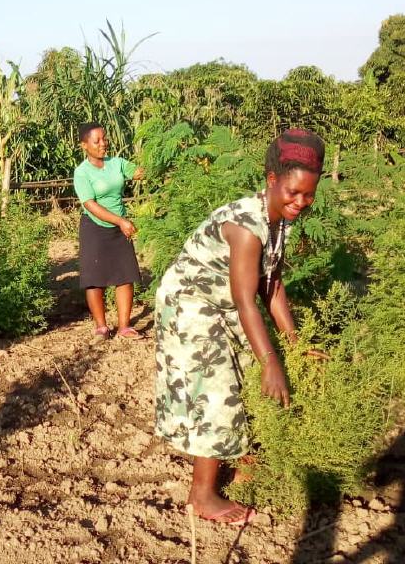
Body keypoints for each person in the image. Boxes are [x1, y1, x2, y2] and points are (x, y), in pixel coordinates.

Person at [153, 128, 325, 526]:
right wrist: (271, 359)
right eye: (293, 193)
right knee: (217, 390)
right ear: (271, 179)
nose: (300, 202)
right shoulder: (247, 226)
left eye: (308, 195)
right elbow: (247, 299)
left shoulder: (279, 218)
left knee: (249, 377)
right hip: (190, 304)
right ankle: (202, 494)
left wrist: (294, 344)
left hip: (225, 304)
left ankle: (245, 463)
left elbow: (272, 283)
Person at [73, 122, 145, 344]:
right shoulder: (82, 172)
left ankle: (124, 327)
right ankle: (101, 327)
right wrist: (120, 221)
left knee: (125, 275)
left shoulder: (117, 163)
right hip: (95, 227)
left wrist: (152, 164)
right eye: (97, 141)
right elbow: (90, 204)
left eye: (104, 139)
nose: (103, 144)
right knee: (95, 279)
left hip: (119, 227)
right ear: (84, 145)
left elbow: (139, 172)